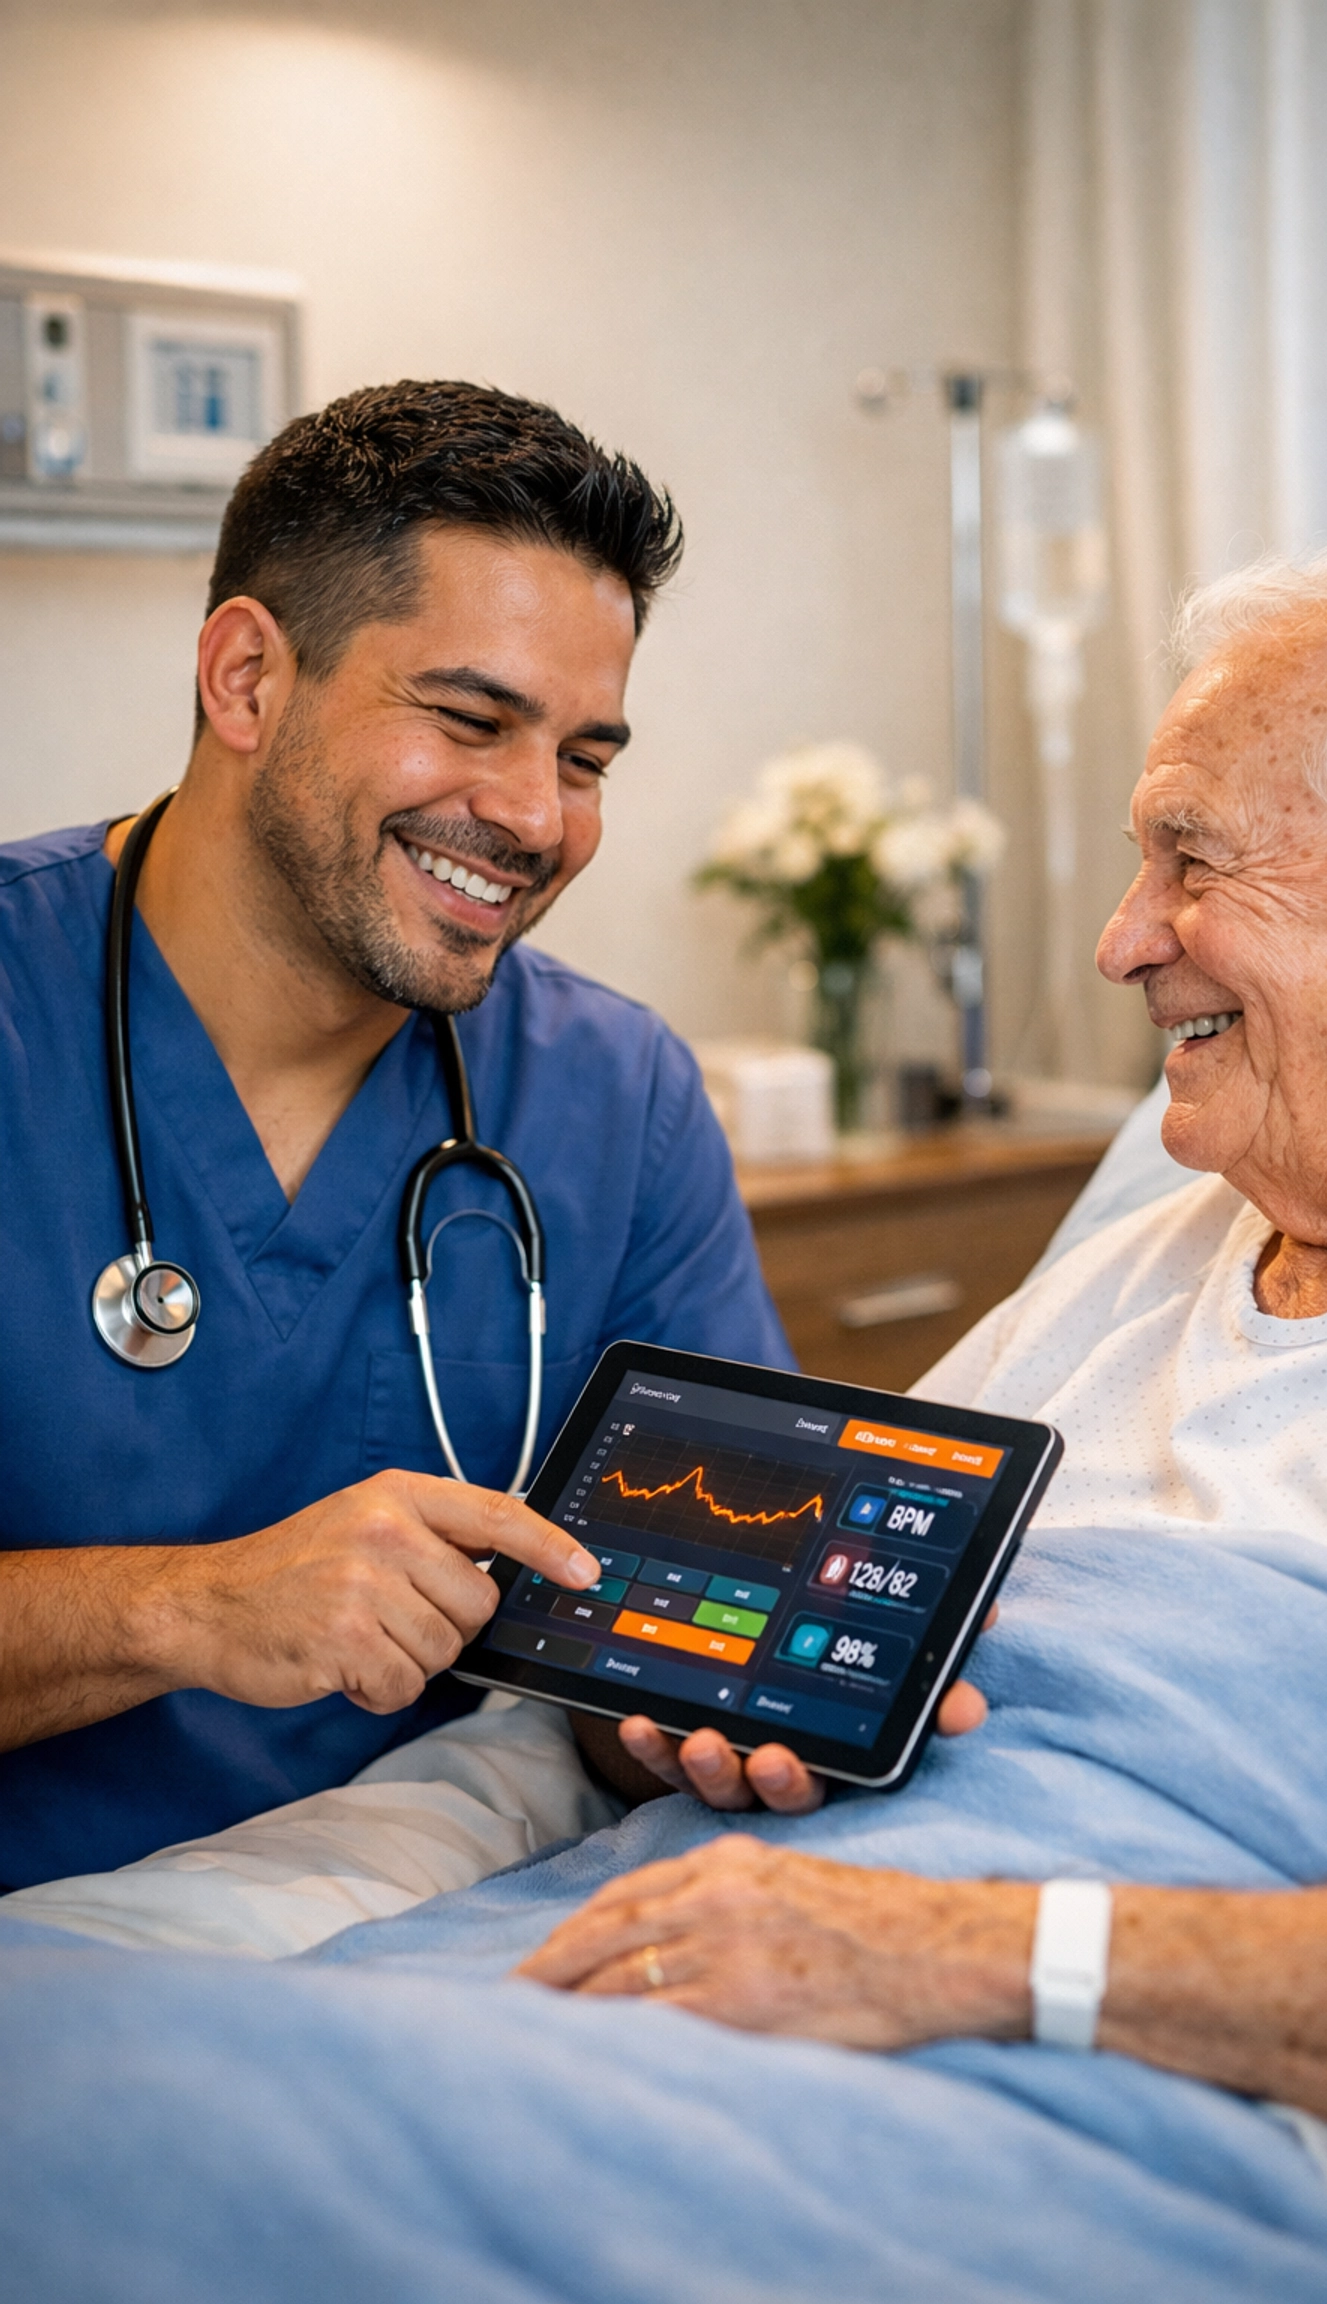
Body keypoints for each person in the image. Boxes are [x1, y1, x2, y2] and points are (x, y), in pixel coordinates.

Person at [517, 541, 1327, 2158]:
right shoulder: (1134, 1270)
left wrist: (951, 1953)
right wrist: (664, 1704)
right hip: (667, 1968)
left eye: (1191, 862)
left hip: (965, 2100)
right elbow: (790, 1638)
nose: (1124, 943)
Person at [0, 379, 814, 1890]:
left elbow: (643, 1649)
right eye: (469, 719)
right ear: (246, 680)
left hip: (418, 1934)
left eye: (584, 759)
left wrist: (686, 1714)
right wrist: (192, 1608)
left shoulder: (614, 1097)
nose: (535, 816)